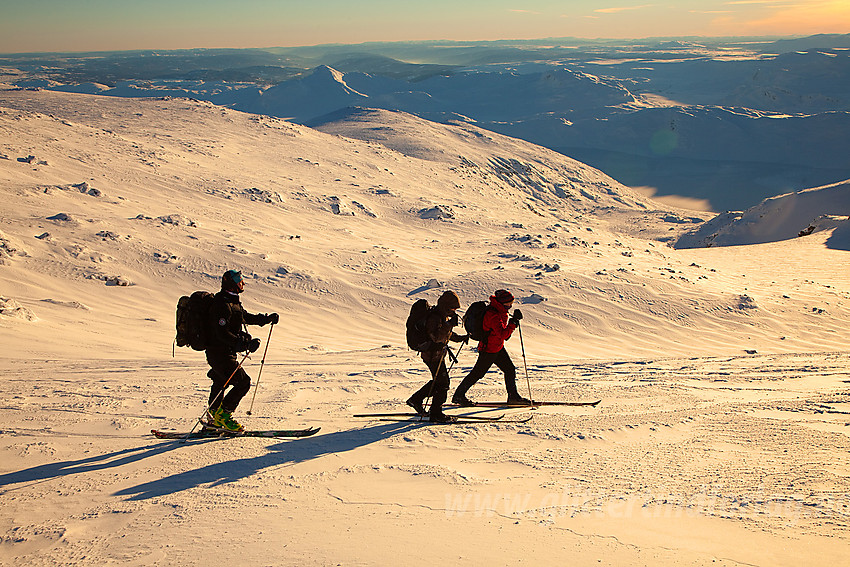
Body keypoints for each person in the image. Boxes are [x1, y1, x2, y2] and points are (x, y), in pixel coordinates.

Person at [204, 269, 278, 431]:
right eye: (239, 281)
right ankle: (223, 416)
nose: (242, 283)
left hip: (224, 352)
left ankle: (214, 417)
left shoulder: (231, 301)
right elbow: (221, 333)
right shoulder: (222, 304)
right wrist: (244, 344)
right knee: (243, 382)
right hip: (219, 353)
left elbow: (244, 317)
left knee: (220, 381)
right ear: (231, 283)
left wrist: (266, 319)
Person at [452, 289, 531, 406]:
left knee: (509, 369)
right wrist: (513, 323)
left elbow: (501, 333)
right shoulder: (493, 314)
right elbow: (503, 334)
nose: (510, 306)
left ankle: (513, 397)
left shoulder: (499, 311)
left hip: (496, 347)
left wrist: (512, 321)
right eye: (509, 304)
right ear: (502, 303)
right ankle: (458, 395)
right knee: (478, 373)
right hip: (489, 349)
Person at [406, 290, 468, 423]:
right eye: (453, 308)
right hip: (432, 355)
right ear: (446, 306)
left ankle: (416, 400)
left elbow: (445, 335)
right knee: (443, 384)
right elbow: (436, 337)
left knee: (439, 382)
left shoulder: (441, 316)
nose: (454, 311)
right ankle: (436, 413)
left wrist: (460, 338)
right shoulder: (435, 317)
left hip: (436, 355)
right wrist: (449, 324)